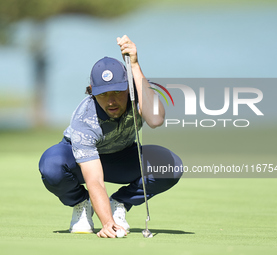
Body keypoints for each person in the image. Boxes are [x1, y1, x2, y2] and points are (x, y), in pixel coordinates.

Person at [38, 35, 183, 238]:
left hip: (121, 157)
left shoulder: (137, 96)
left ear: (129, 87)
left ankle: (120, 202)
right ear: (92, 92)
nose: (111, 100)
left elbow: (156, 119)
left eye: (117, 91)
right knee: (51, 165)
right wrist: (107, 223)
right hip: (77, 161)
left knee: (170, 165)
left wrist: (134, 64)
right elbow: (95, 179)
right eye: (103, 94)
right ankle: (81, 203)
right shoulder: (84, 120)